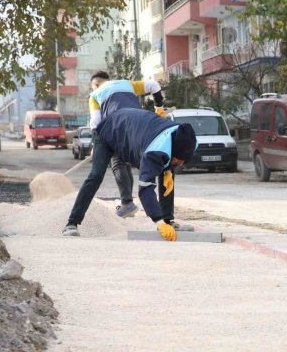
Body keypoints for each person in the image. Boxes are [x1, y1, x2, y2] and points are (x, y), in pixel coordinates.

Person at [62, 108, 196, 241]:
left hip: (130, 132)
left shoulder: (187, 139)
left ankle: (168, 220)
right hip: (108, 132)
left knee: (168, 175)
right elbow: (145, 189)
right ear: (173, 149)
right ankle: (71, 223)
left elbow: (174, 160)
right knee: (96, 176)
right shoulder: (155, 151)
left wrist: (169, 167)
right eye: (179, 159)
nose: (180, 164)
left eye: (184, 161)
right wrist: (158, 221)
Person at [88, 71, 167, 218]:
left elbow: (95, 122)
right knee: (126, 163)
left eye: (94, 86)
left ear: (97, 85)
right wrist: (159, 108)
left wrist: (96, 146)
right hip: (140, 128)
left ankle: (127, 203)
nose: (94, 88)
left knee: (116, 161)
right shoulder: (127, 84)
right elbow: (154, 85)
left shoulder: (96, 94)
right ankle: (134, 205)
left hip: (120, 129)